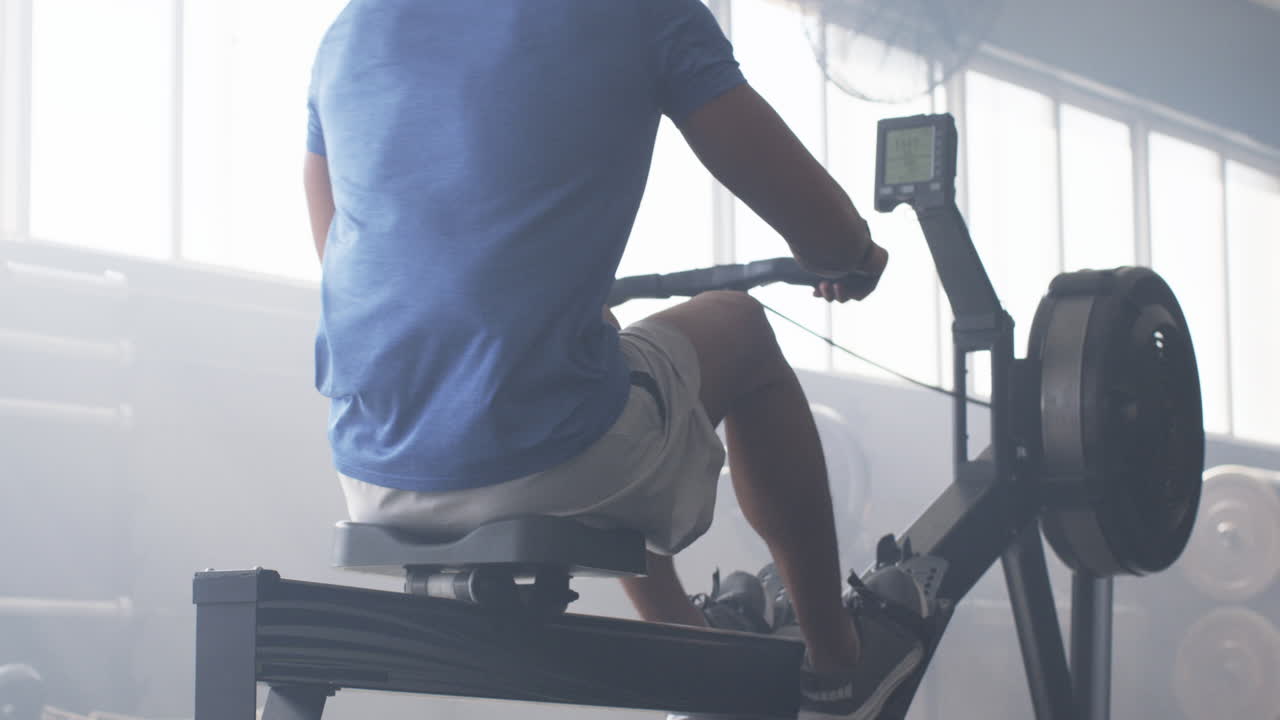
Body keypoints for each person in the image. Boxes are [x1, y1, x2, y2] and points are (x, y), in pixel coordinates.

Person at [302, 1, 927, 717]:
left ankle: (689, 646)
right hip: (546, 454)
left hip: (369, 472)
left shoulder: (349, 33)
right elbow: (814, 219)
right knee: (742, 328)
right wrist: (851, 255)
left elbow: (342, 259)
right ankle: (840, 665)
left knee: (610, 363)